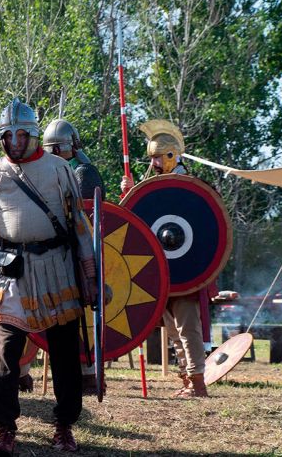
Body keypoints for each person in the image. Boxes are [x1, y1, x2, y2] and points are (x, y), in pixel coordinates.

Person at [0, 99, 98, 455]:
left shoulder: (58, 170)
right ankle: (5, 430)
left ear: (34, 134)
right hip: (13, 274)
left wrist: (90, 274)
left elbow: (79, 226)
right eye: (7, 135)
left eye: (21, 133)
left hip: (58, 268)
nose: (14, 141)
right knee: (6, 355)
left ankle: (64, 426)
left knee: (65, 354)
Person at [120, 119, 213, 398]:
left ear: (172, 155)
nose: (155, 163)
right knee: (173, 328)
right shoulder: (155, 186)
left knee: (187, 326)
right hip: (163, 268)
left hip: (186, 267)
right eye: (153, 158)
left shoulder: (189, 186)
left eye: (159, 158)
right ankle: (186, 379)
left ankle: (198, 382)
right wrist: (131, 192)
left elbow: (205, 226)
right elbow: (140, 222)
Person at [42, 118, 106, 395]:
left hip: (80, 252)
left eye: (58, 149)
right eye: (52, 150)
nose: (56, 154)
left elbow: (89, 216)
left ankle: (90, 375)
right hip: (55, 251)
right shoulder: (46, 173)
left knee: (81, 310)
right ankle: (73, 374)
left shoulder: (83, 172)